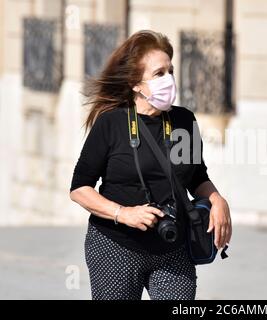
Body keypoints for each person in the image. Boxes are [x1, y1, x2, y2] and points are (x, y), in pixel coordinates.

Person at [69, 30, 232, 300]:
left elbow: (196, 177)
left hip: (172, 247)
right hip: (115, 247)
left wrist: (217, 200)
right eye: (159, 74)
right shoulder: (112, 123)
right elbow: (79, 188)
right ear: (136, 84)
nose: (169, 79)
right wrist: (123, 213)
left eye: (171, 70)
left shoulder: (184, 121)